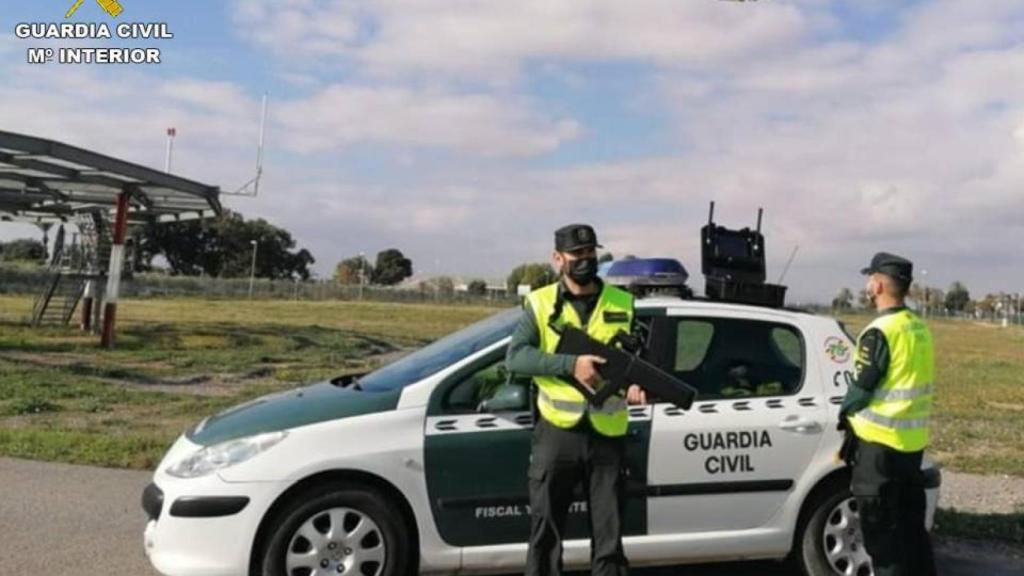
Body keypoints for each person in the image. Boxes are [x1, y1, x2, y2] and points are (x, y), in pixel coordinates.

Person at [506, 223, 645, 576]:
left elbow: (639, 361)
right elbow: (517, 358)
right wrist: (571, 365)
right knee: (546, 536)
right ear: (558, 259)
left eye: (590, 253)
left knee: (610, 543)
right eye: (577, 254)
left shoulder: (624, 303)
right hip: (557, 434)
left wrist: (638, 385)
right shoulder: (540, 304)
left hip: (608, 436)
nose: (585, 260)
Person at [840, 252, 937, 576]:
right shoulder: (917, 327)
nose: (867, 284)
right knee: (913, 536)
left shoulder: (880, 330)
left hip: (879, 451)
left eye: (870, 278)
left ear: (879, 285)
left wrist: (843, 410)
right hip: (911, 447)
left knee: (883, 543)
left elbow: (863, 387)